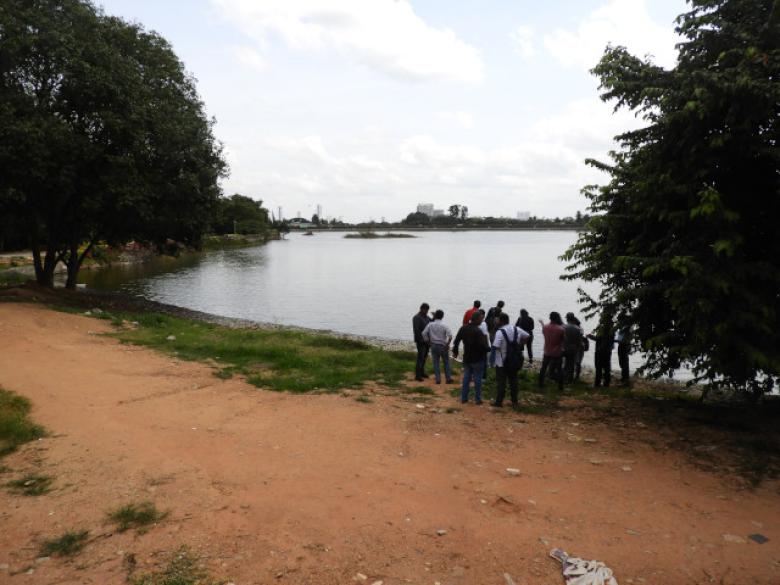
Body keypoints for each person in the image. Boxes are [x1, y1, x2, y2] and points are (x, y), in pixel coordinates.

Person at [490, 313, 530, 408]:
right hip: (514, 360)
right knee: (513, 381)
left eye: (498, 320)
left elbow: (495, 346)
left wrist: (491, 361)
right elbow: (527, 336)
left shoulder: (500, 332)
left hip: (501, 362)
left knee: (501, 382)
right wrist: (520, 345)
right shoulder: (516, 329)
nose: (497, 321)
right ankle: (514, 401)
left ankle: (499, 402)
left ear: (502, 321)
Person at [453, 312, 490, 404]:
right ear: (476, 319)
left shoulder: (463, 328)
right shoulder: (478, 331)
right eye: (481, 319)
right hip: (478, 358)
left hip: (467, 357)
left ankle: (464, 398)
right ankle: (478, 399)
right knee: (478, 379)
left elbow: (456, 341)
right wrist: (489, 349)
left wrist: (455, 351)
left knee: (466, 378)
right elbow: (482, 346)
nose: (482, 321)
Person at [422, 309, 454, 384]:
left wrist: (428, 342)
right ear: (442, 316)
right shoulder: (444, 325)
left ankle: (438, 379)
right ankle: (448, 378)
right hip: (443, 346)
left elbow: (424, 333)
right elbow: (450, 336)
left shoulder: (430, 324)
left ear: (435, 316)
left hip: (433, 345)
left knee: (436, 363)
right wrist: (447, 344)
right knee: (446, 362)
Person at [538, 312, 565, 390]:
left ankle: (540, 383)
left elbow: (543, 330)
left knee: (543, 368)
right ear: (557, 318)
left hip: (547, 351)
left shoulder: (545, 327)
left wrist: (542, 323)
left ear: (550, 318)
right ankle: (560, 387)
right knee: (559, 369)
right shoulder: (561, 329)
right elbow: (563, 340)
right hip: (557, 353)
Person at [587, 312, 614, 388]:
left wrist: (599, 349)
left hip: (601, 351)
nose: (600, 318)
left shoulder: (604, 327)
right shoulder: (611, 327)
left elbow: (603, 340)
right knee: (606, 367)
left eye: (602, 317)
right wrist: (591, 337)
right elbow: (600, 339)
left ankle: (597, 384)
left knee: (599, 367)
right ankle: (606, 384)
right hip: (608, 351)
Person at [412, 303, 432, 381]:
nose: (427, 311)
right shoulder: (416, 318)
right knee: (420, 357)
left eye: (427, 310)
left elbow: (432, 323)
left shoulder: (426, 317)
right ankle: (418, 375)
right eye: (426, 310)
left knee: (424, 357)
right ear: (421, 309)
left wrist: (434, 317)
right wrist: (421, 340)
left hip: (427, 341)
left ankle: (422, 372)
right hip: (420, 341)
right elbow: (416, 330)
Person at [563, 312, 585, 383]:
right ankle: (571, 378)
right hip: (575, 348)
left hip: (565, 348)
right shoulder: (578, 328)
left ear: (567, 319)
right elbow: (579, 340)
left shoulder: (564, 327)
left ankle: (564, 377)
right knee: (573, 364)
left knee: (566, 363)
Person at [477, 308, 490, 380]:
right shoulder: (484, 324)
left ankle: (475, 375)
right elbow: (485, 335)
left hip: (475, 345)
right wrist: (487, 345)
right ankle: (483, 377)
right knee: (483, 361)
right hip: (481, 345)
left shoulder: (472, 322)